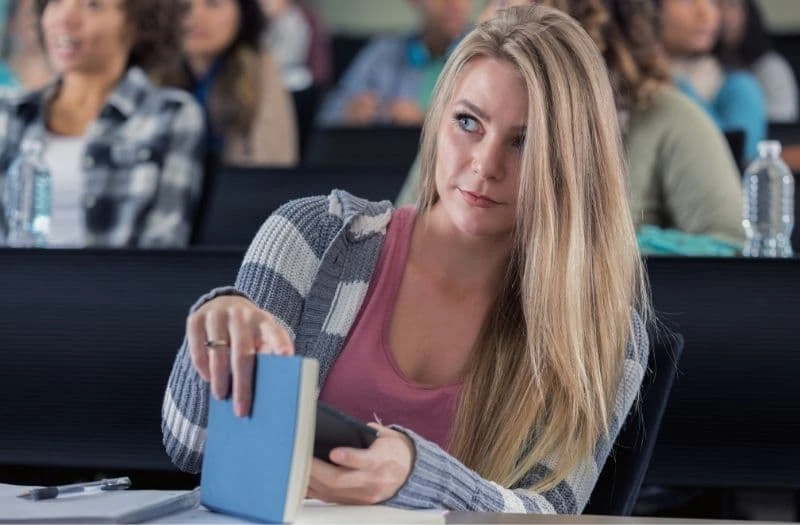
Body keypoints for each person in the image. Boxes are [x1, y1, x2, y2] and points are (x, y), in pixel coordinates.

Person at [163, 5, 650, 513]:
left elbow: (551, 514)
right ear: (436, 122)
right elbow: (190, 447)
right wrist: (213, 335)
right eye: (468, 122)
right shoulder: (310, 236)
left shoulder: (606, 331)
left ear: (572, 160)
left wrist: (417, 476)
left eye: (523, 141)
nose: (484, 165)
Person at [400, 0, 746, 247]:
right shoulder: (468, 110)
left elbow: (732, 243)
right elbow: (410, 223)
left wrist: (599, 250)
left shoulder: (670, 118)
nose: (490, 14)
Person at [0, 0, 205, 248]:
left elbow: (163, 246)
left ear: (136, 25)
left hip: (115, 285)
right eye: (55, 2)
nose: (64, 19)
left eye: (92, 5)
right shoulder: (9, 114)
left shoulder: (170, 115)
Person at [316, 0, 472, 127]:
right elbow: (326, 115)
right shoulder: (383, 52)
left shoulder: (484, 54)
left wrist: (426, 121)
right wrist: (350, 111)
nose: (455, 3)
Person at [182, 0, 298, 166]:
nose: (196, 16)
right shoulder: (149, 70)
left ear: (243, 11)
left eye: (213, 4)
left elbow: (272, 169)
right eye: (183, 5)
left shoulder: (260, 68)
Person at [657, 0, 766, 160]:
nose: (705, 13)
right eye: (686, 1)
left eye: (712, 2)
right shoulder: (623, 79)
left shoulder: (739, 86)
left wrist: (677, 84)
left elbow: (731, 163)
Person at [716, 0, 798, 123]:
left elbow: (781, 129)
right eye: (715, 6)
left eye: (732, 5)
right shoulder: (701, 68)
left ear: (749, 13)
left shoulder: (770, 68)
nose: (723, 16)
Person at [0, 0, 52, 93]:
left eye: (39, 11)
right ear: (12, 23)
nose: (34, 19)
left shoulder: (70, 79)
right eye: (27, 14)